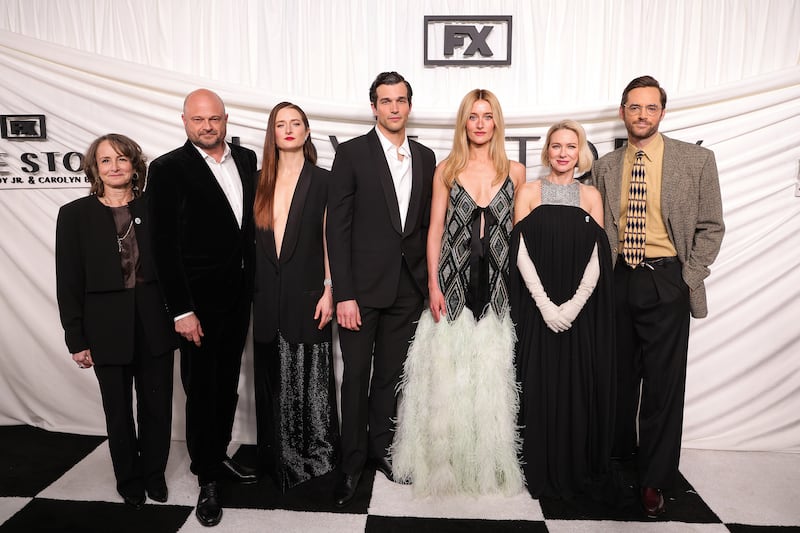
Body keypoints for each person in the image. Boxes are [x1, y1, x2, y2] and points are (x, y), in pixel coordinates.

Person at [591, 75, 725, 517]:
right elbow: (588, 217)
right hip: (618, 281)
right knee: (618, 382)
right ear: (623, 111)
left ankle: (654, 480)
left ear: (661, 113)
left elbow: (711, 226)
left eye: (650, 108)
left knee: (663, 387)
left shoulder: (696, 160)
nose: (642, 115)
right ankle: (617, 464)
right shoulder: (606, 167)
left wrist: (689, 276)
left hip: (667, 279)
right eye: (634, 107)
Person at [391, 89, 526, 496]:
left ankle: (486, 462)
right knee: (448, 377)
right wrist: (433, 283)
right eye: (473, 116)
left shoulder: (516, 172)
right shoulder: (447, 169)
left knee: (489, 376)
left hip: (498, 284)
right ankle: (445, 462)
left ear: (497, 122)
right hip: (452, 282)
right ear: (464, 123)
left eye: (487, 116)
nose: (480, 123)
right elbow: (434, 230)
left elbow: (522, 234)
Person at [148, 89, 258, 527]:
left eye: (214, 118)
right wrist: (181, 310)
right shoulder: (168, 169)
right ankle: (206, 477)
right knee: (202, 392)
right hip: (197, 306)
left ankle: (219, 456)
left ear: (226, 119)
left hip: (240, 298)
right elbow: (163, 247)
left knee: (227, 384)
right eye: (198, 120)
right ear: (184, 121)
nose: (207, 126)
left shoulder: (247, 161)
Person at [326, 71, 436, 507]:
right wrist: (344, 293)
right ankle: (351, 463)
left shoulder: (426, 157)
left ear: (410, 105)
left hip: (407, 290)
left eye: (400, 100)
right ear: (373, 106)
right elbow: (338, 227)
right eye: (385, 101)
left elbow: (426, 226)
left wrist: (428, 285)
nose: (393, 107)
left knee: (390, 378)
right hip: (360, 293)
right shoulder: (351, 154)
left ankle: (381, 451)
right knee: (355, 377)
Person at [55, 134, 178, 510]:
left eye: (122, 159)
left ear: (134, 165)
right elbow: (69, 279)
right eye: (106, 161)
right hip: (105, 328)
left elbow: (174, 267)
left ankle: (155, 475)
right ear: (94, 168)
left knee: (157, 407)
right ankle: (129, 479)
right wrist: (76, 337)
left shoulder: (154, 208)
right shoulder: (75, 214)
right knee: (118, 409)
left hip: (155, 323)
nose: (115, 167)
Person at [510, 120, 617, 501]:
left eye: (570, 146)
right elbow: (518, 251)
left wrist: (571, 307)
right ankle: (535, 465)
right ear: (547, 151)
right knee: (537, 385)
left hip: (578, 312)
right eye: (556, 146)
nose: (563, 153)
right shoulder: (528, 191)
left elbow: (598, 256)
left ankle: (573, 463)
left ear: (581, 152)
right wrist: (545, 305)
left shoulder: (590, 196)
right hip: (538, 311)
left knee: (575, 387)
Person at [252, 102, 338, 491]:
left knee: (310, 381)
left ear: (307, 131)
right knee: (271, 381)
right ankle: (276, 462)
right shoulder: (256, 180)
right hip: (267, 298)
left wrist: (329, 289)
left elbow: (330, 240)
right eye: (280, 124)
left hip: (309, 294)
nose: (288, 130)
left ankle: (315, 459)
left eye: (296, 123)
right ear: (272, 134)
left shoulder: (324, 180)